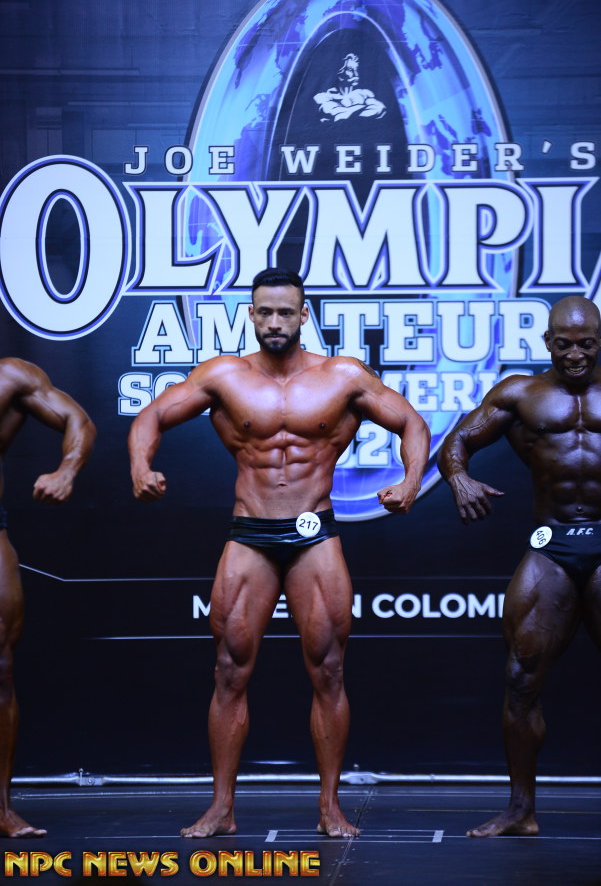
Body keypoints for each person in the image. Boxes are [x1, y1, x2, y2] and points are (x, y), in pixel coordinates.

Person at [129, 267, 430, 839]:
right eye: (264, 312)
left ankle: (330, 807)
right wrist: (141, 466)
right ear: (250, 314)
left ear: (303, 315)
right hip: (251, 534)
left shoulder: (342, 376)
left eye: (285, 312)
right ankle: (221, 808)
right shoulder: (224, 375)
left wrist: (411, 480)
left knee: (330, 669)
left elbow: (411, 423)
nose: (274, 322)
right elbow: (152, 415)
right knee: (228, 670)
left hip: (315, 534)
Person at [437, 295, 601, 837]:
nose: (575, 355)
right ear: (547, 342)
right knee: (520, 677)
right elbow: (457, 441)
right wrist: (459, 479)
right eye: (565, 344)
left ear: (600, 342)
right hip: (552, 544)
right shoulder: (520, 393)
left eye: (587, 344)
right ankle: (521, 810)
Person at [0, 358, 95, 837]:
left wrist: (66, 470)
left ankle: (1, 808)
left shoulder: (10, 377)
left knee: (0, 667)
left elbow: (80, 420)